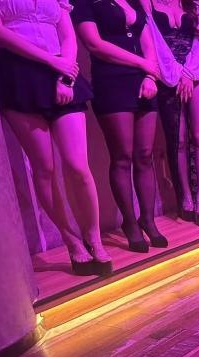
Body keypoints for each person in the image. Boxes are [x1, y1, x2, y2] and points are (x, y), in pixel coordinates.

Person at [0, 0, 112, 276]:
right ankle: (72, 242)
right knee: (44, 169)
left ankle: (94, 238)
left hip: (62, 70)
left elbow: (68, 35)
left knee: (78, 166)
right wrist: (51, 60)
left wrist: (66, 74)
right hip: (18, 75)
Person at [73, 0, 169, 252]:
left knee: (145, 155)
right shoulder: (85, 3)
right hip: (112, 80)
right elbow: (95, 44)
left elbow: (149, 44)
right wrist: (141, 63)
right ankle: (130, 223)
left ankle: (147, 219)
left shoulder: (134, 2)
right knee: (122, 157)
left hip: (144, 81)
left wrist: (150, 75)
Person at [146, 0, 199, 227]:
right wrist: (177, 73)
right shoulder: (149, 4)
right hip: (167, 74)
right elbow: (156, 42)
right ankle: (185, 196)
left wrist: (189, 74)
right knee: (179, 140)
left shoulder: (196, 6)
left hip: (196, 73)